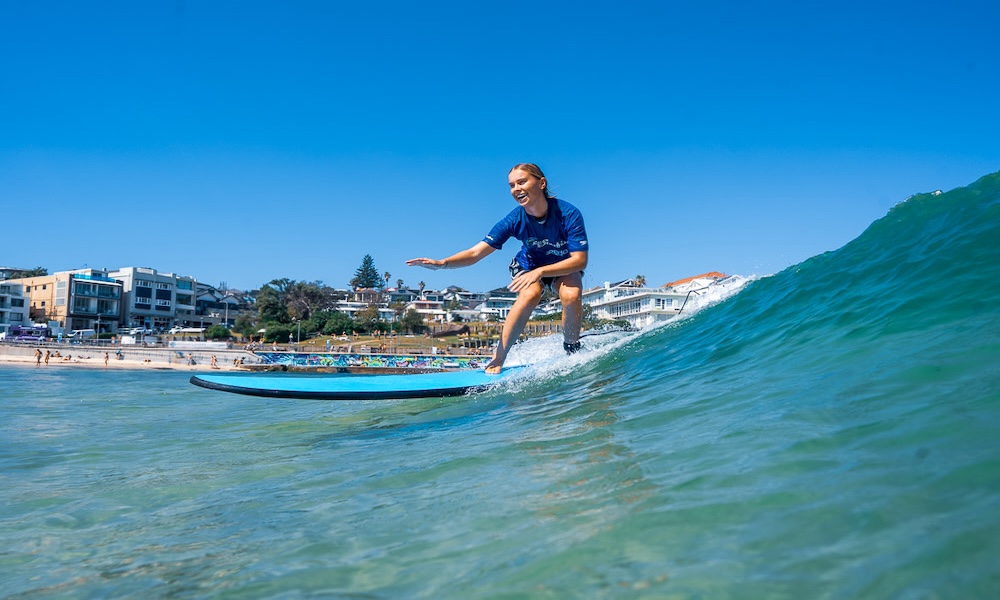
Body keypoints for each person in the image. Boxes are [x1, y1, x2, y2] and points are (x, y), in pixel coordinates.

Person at [407, 163, 588, 374]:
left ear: (541, 183)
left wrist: (541, 272)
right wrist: (442, 263)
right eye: (512, 185)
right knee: (530, 294)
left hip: (560, 264)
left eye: (522, 182)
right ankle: (498, 358)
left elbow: (580, 260)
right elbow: (476, 253)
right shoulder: (514, 219)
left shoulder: (568, 214)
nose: (516, 189)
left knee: (572, 294)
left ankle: (572, 347)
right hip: (528, 264)